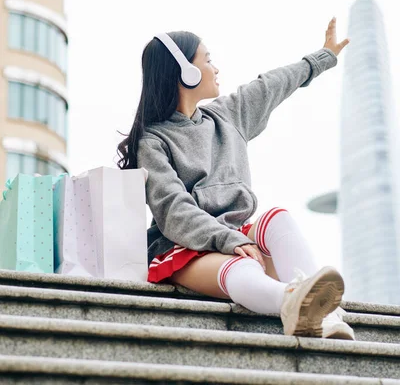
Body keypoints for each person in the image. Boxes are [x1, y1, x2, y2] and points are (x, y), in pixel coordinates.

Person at [117, 17, 355, 339]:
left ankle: (324, 316)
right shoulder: (152, 142)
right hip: (183, 247)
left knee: (278, 218)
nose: (215, 68)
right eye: (208, 60)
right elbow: (174, 210)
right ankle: (292, 303)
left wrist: (324, 56)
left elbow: (271, 84)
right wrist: (229, 240)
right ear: (185, 72)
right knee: (241, 266)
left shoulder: (227, 117)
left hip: (236, 240)